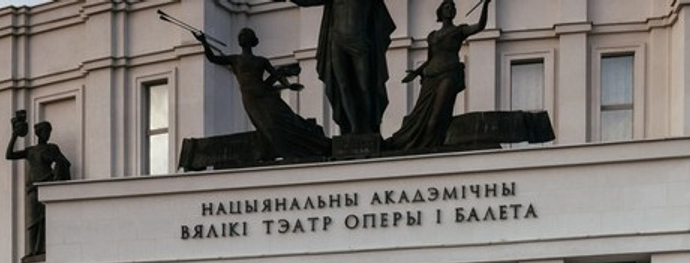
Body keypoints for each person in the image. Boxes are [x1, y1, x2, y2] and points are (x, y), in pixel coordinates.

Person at [194, 27, 329, 161]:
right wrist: (204, 42)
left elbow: (275, 74)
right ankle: (291, 150)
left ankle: (309, 145)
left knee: (286, 119)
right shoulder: (235, 59)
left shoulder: (261, 60)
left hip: (265, 94)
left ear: (252, 40)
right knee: (267, 126)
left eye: (246, 35)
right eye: (241, 36)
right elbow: (212, 58)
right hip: (251, 98)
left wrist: (288, 85)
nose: (243, 37)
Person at [389, 0, 492, 153]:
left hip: (449, 74)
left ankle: (432, 148)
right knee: (420, 115)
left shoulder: (459, 31)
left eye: (453, 7)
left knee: (436, 116)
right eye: (447, 7)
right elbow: (430, 59)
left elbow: (480, 26)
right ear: (441, 11)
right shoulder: (432, 36)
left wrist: (485, 5)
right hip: (430, 77)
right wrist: (417, 72)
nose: (450, 9)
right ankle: (418, 147)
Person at [290, 0, 396, 137]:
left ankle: (368, 128)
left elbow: (383, 21)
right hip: (336, 41)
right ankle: (354, 128)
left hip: (359, 41)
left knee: (365, 86)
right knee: (343, 86)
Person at [6, 114, 72, 260]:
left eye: (49, 132)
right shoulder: (31, 150)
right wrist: (14, 135)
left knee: (45, 221)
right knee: (32, 221)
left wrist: (56, 176)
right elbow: (9, 155)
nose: (47, 134)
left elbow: (64, 163)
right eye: (45, 131)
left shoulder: (52, 148)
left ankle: (42, 249)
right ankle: (32, 251)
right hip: (32, 189)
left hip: (46, 186)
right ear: (39, 133)